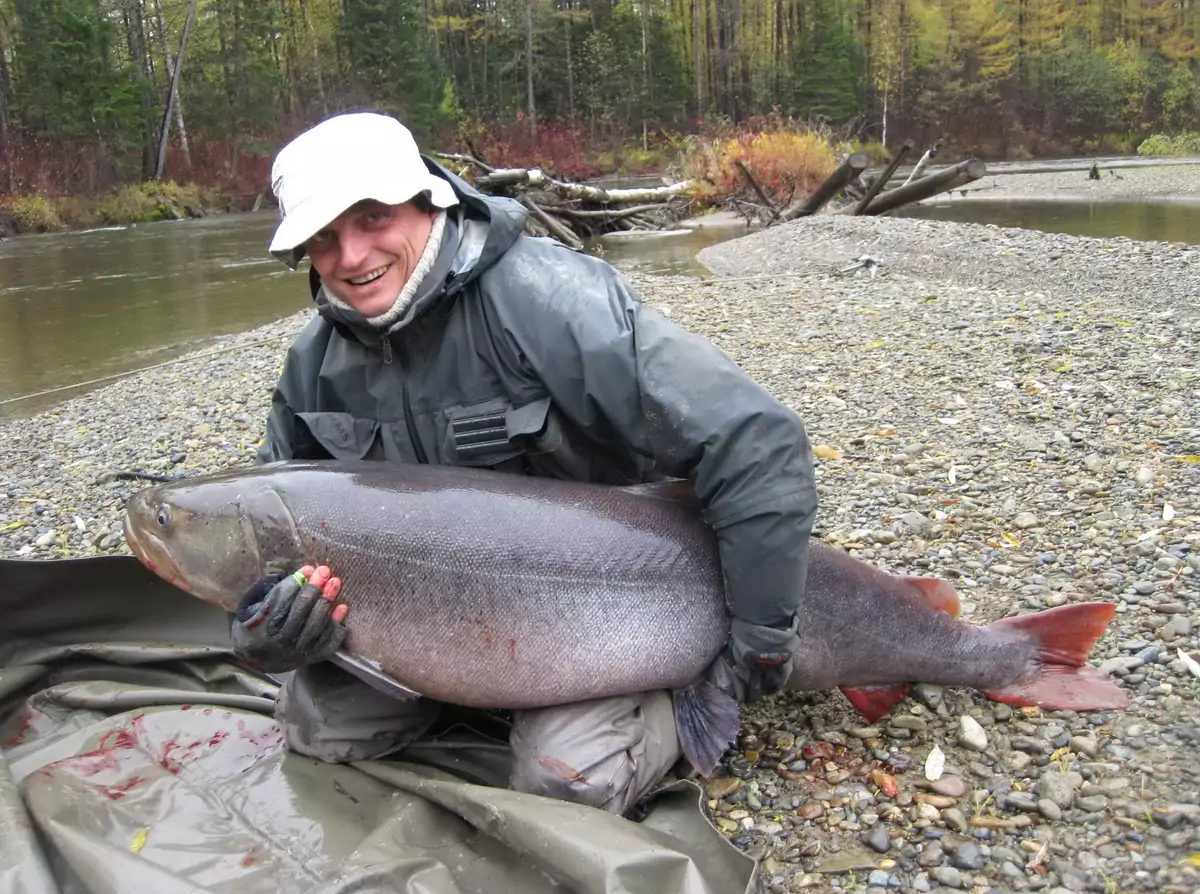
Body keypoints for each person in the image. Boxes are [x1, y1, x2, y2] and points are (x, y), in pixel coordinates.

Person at [230, 111, 818, 816]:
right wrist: (261, 627)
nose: (352, 257)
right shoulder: (313, 366)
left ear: (429, 202)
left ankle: (666, 684)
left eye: (373, 220)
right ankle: (479, 696)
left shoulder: (549, 303)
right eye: (323, 239)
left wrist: (757, 641)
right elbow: (264, 520)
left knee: (567, 779)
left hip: (610, 611)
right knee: (315, 727)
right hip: (436, 626)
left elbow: (757, 441)